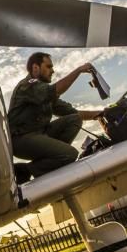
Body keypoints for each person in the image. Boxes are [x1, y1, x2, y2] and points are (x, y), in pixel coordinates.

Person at [7, 52, 104, 180]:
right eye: (48, 66)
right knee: (70, 154)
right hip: (21, 139)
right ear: (35, 68)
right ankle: (26, 170)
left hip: (40, 135)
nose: (52, 71)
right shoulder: (28, 84)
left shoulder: (46, 94)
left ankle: (53, 160)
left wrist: (102, 113)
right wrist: (79, 70)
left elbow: (74, 113)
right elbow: (55, 90)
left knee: (74, 119)